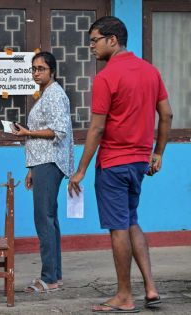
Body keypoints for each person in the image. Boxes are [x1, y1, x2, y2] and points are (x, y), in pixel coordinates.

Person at [68, 16, 172, 312]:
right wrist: (158, 152)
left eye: (94, 40)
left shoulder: (106, 76)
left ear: (112, 40)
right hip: (140, 162)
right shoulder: (151, 72)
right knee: (131, 220)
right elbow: (167, 115)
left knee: (118, 228)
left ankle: (124, 295)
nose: (91, 46)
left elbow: (97, 129)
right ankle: (150, 288)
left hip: (113, 163)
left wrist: (81, 170)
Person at [12, 52, 74, 293]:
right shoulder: (45, 94)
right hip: (41, 164)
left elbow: (58, 132)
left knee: (44, 219)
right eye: (33, 69)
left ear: (52, 72)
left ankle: (48, 278)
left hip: (50, 163)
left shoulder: (55, 95)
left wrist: (27, 133)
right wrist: (30, 169)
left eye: (41, 69)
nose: (36, 73)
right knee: (50, 219)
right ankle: (54, 276)